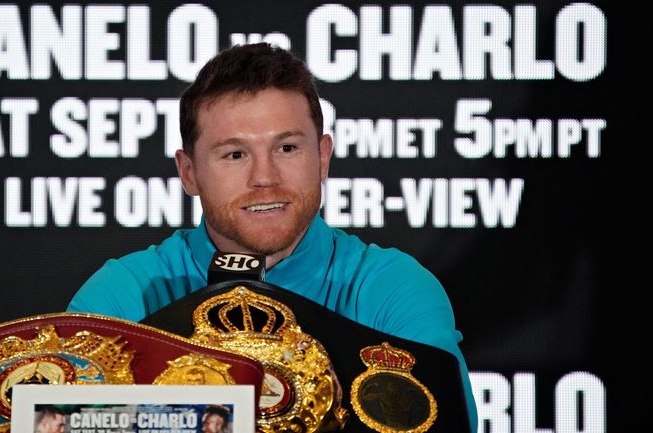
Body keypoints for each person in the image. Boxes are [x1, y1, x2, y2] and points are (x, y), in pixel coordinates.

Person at [66, 42, 478, 432]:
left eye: (287, 148)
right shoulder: (121, 297)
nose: (264, 177)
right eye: (234, 154)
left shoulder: (394, 288)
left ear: (322, 157)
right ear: (188, 172)